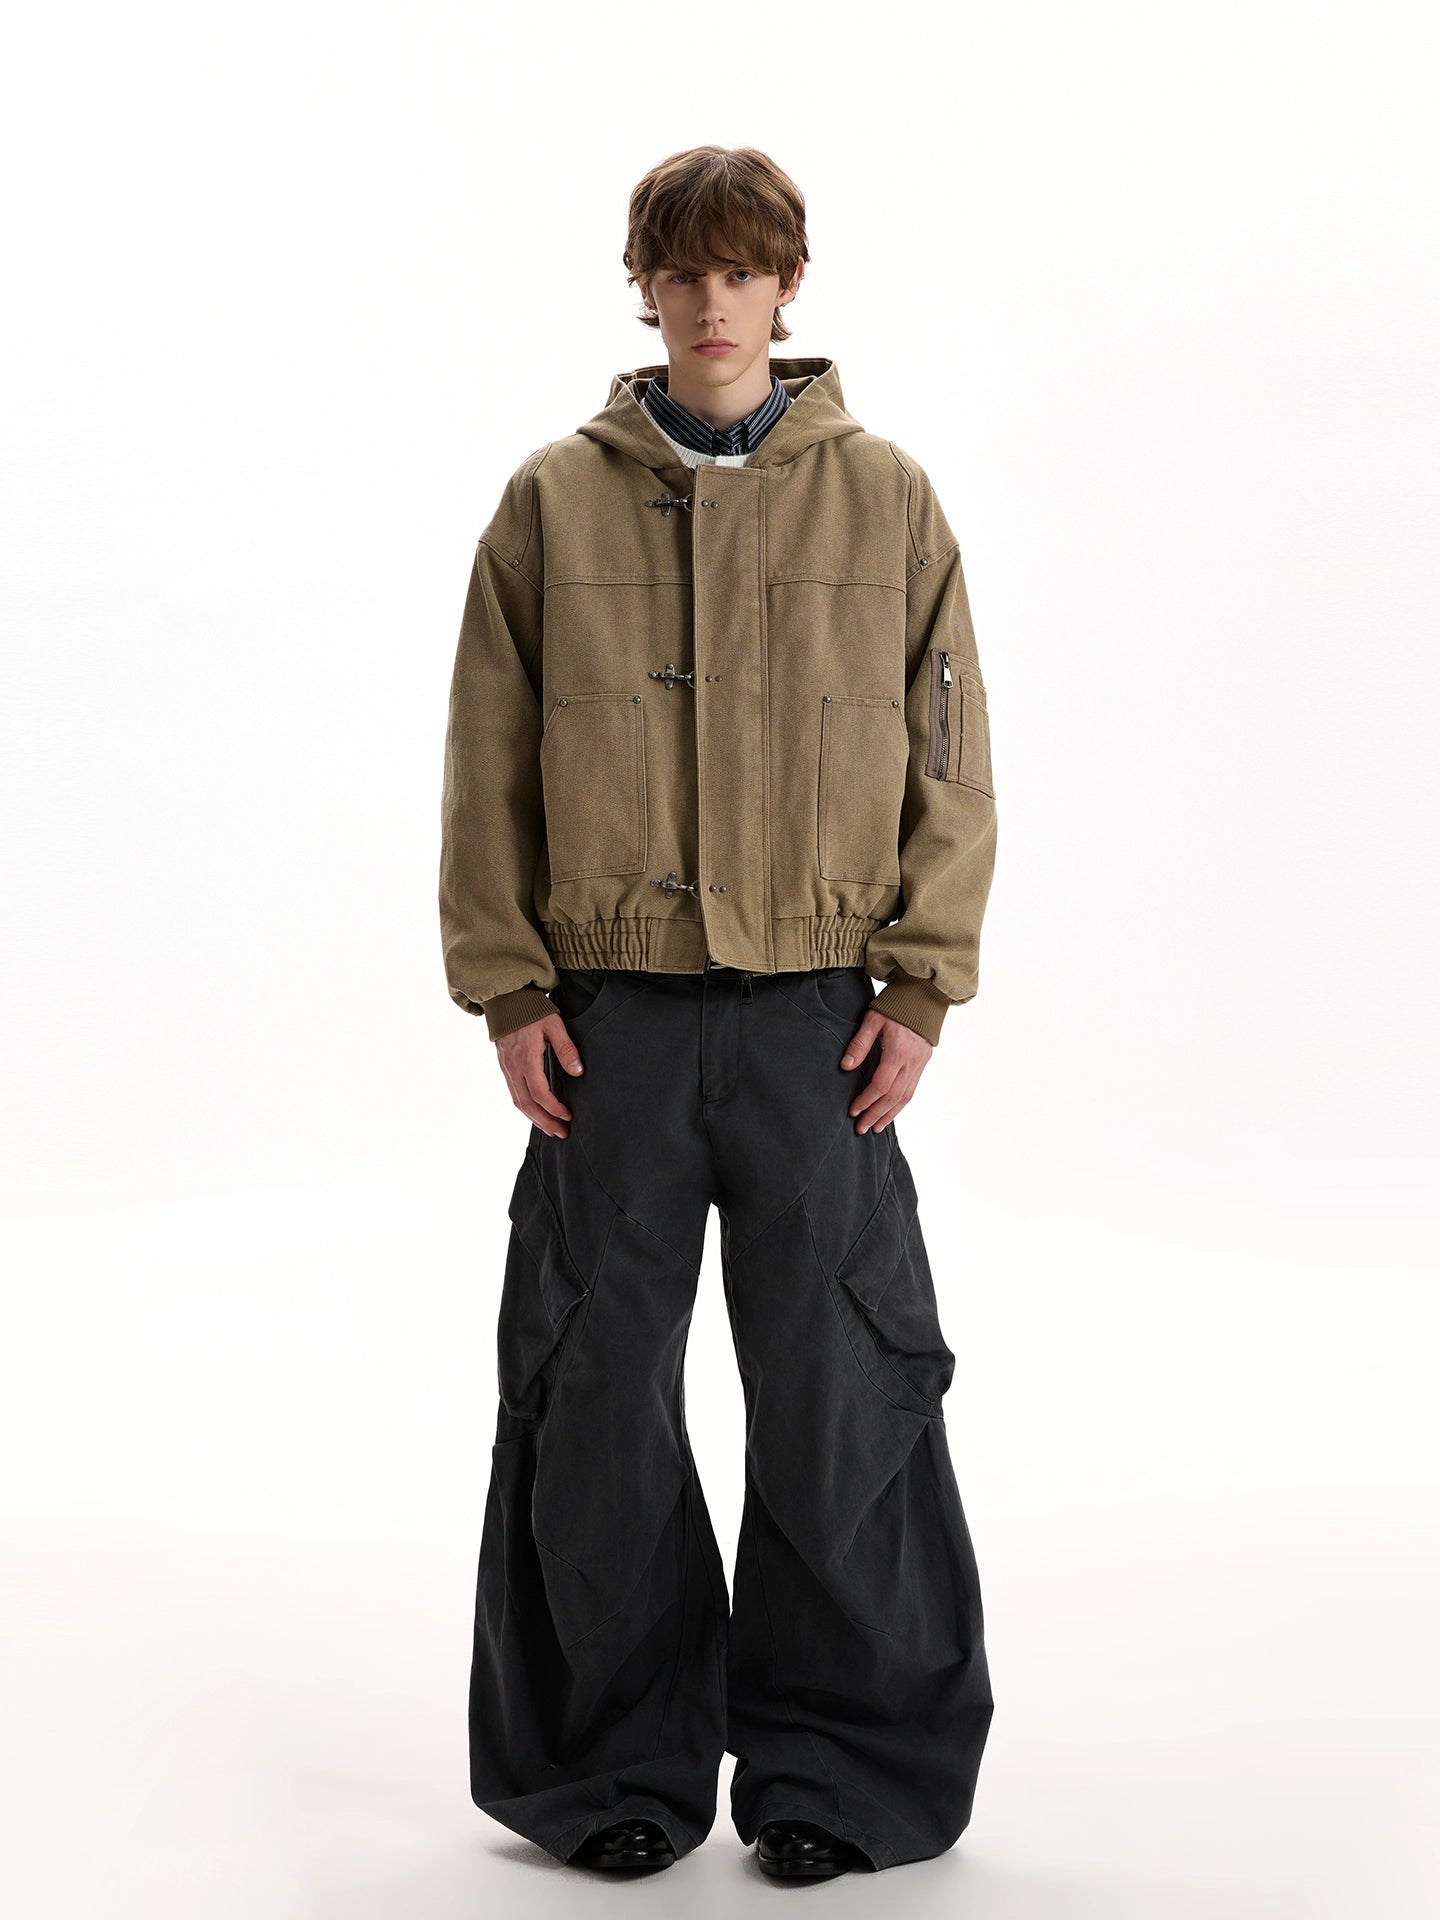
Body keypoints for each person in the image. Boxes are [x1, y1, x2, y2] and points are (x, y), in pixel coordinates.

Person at [438, 144, 998, 1880]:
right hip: (607, 1023)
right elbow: (487, 764)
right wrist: (508, 985)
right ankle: (612, 1770)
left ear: (786, 286)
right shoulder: (552, 502)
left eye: (739, 270)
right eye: (679, 272)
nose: (709, 302)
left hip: (820, 1022)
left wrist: (923, 977)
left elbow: (951, 760)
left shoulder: (886, 500)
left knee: (840, 1390)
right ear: (644, 289)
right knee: (595, 1390)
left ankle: (840, 1775)